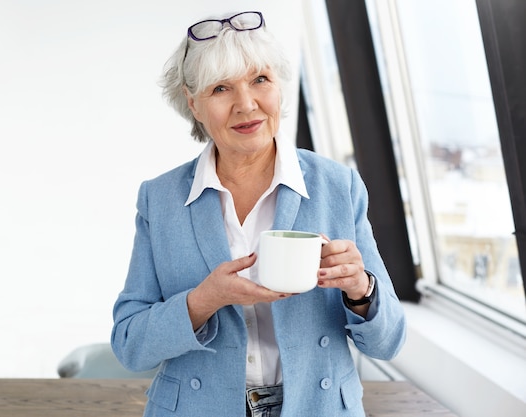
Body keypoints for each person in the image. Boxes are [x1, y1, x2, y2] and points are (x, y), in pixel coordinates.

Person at [111, 10, 406, 417]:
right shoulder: (159, 200)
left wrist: (361, 290)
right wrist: (203, 300)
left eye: (260, 80)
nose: (246, 104)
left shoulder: (338, 187)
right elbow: (129, 345)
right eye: (220, 89)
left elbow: (388, 343)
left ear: (279, 88)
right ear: (194, 104)